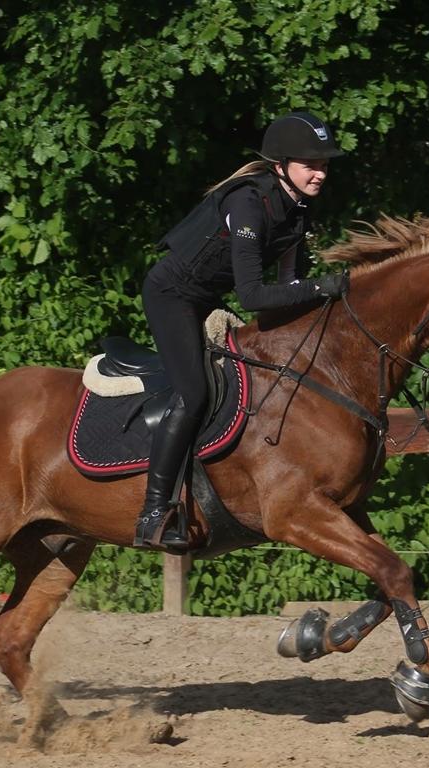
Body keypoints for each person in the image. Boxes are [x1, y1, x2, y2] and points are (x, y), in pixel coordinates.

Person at [134, 111, 350, 551]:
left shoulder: (297, 212)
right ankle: (154, 510)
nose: (321, 173)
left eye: (325, 165)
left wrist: (322, 299)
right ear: (281, 165)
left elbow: (289, 287)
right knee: (193, 393)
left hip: (207, 299)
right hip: (173, 295)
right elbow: (252, 296)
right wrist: (321, 287)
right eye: (311, 164)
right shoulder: (248, 203)